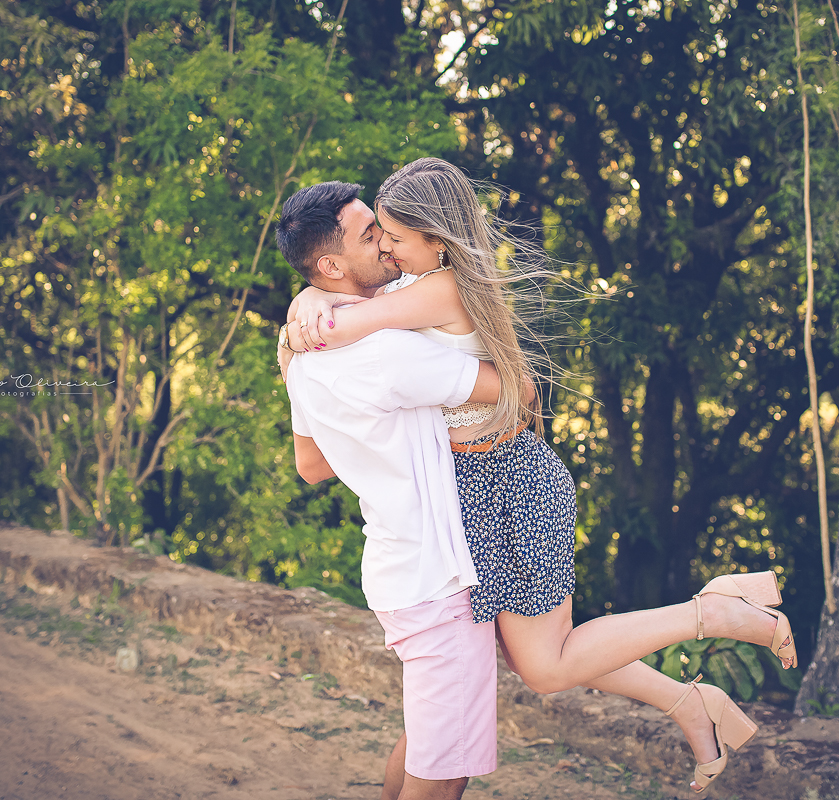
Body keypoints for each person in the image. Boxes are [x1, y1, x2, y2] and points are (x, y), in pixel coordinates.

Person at [281, 159, 797, 794]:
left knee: (543, 666)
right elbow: (350, 340)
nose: (384, 247)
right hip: (470, 496)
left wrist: (309, 313)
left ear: (436, 239)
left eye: (390, 235)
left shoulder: (434, 292)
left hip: (507, 485)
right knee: (481, 682)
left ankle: (713, 613)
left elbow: (350, 330)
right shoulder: (403, 292)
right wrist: (311, 294)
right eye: (373, 236)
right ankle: (693, 703)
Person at [275, 180, 512, 800]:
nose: (383, 239)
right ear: (331, 265)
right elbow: (512, 388)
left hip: (394, 569)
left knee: (426, 746)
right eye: (367, 233)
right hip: (437, 578)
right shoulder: (388, 354)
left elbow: (311, 464)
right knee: (442, 771)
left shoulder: (301, 360)